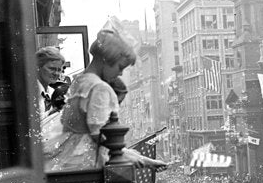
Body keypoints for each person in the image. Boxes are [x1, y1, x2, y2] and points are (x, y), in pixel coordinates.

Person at [45, 26, 166, 173]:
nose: (120, 73)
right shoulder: (99, 88)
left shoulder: (80, 81)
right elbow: (103, 138)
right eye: (120, 67)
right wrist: (138, 159)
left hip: (65, 162)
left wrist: (140, 158)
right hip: (84, 167)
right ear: (106, 59)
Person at [36, 46, 67, 149]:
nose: (56, 74)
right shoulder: (29, 93)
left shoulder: (53, 93)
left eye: (59, 70)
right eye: (52, 69)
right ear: (38, 67)